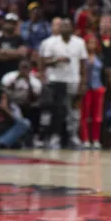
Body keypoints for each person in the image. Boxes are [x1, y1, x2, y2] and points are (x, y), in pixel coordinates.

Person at [39, 18, 87, 148]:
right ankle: (55, 136)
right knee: (57, 110)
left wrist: (83, 83)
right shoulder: (51, 43)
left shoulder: (80, 43)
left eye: (68, 25)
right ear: (59, 29)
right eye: (63, 26)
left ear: (72, 28)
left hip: (73, 80)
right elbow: (45, 62)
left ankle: (73, 136)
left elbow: (83, 65)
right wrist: (57, 60)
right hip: (56, 80)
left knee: (73, 110)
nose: (65, 28)